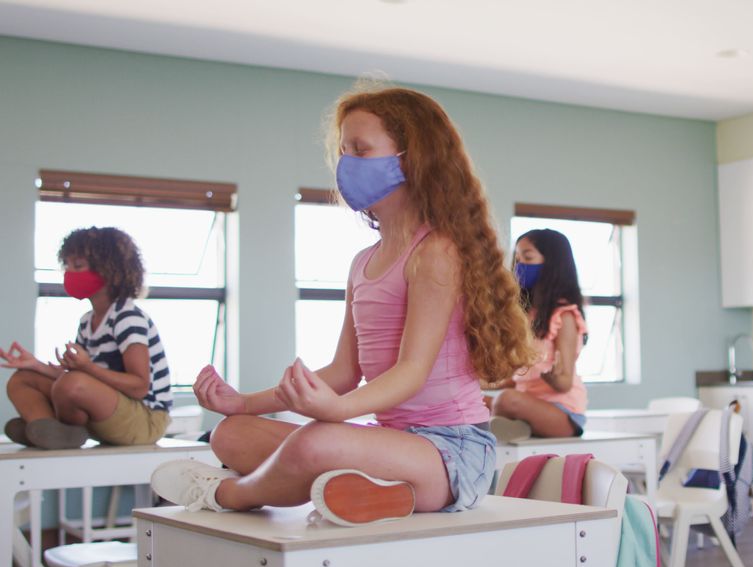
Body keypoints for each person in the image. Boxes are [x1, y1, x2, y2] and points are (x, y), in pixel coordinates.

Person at [150, 84, 535, 526]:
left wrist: (335, 412)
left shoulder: (436, 253)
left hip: (453, 455)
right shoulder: (363, 263)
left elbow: (412, 371)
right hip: (390, 443)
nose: (347, 163)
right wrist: (244, 404)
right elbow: (344, 372)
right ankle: (379, 493)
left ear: (413, 159)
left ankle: (229, 493)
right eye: (344, 150)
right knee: (231, 435)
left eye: (361, 149)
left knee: (315, 443)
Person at [2, 227, 172, 449]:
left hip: (144, 418)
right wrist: (36, 365)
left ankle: (61, 431)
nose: (70, 273)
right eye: (67, 266)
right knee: (22, 378)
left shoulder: (127, 317)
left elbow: (139, 386)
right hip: (106, 409)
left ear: (110, 270)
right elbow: (78, 374)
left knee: (73, 384)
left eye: (78, 266)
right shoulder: (87, 321)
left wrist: (87, 367)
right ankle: (48, 429)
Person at [487, 229, 588, 443]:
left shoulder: (564, 315)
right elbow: (514, 378)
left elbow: (564, 383)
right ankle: (518, 428)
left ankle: (515, 428)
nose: (520, 264)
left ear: (551, 264)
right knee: (477, 403)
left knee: (507, 400)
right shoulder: (528, 315)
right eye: (518, 258)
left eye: (528, 257)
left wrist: (552, 378)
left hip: (562, 413)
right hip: (528, 402)